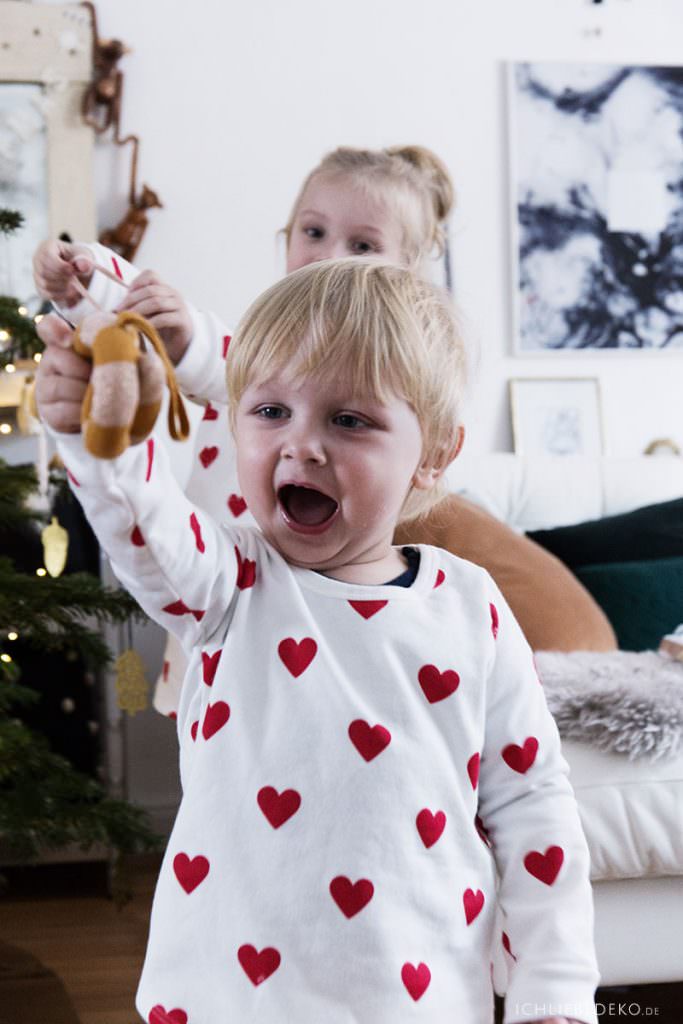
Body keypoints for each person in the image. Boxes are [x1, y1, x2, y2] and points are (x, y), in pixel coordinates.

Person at [37, 257, 598, 1024]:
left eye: (349, 420)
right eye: (269, 412)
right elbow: (145, 523)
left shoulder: (471, 607)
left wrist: (553, 992)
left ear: (434, 451)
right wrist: (94, 442)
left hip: (422, 1003)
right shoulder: (227, 582)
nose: (301, 446)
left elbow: (535, 805)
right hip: (222, 1000)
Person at [33, 143, 616, 720]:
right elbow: (211, 358)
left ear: (408, 268)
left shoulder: (461, 599)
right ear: (286, 236)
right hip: (220, 596)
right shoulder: (253, 367)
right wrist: (89, 277)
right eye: (313, 233)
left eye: (362, 245)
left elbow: (524, 781)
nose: (327, 256)